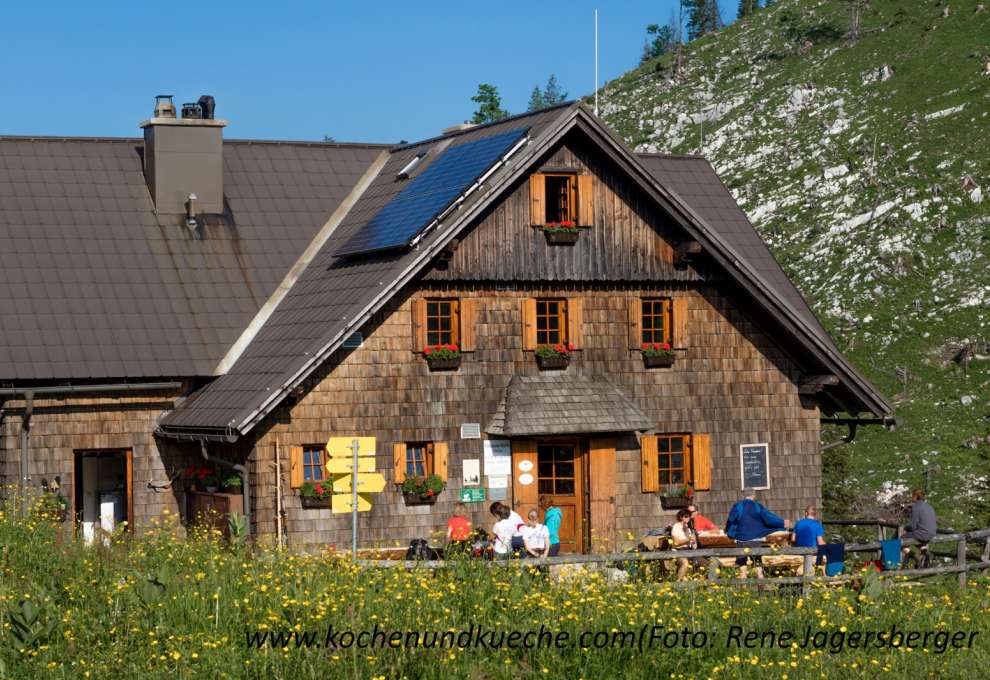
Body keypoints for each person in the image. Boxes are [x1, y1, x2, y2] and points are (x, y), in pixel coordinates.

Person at [725, 488, 787, 578]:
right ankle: (761, 586)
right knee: (758, 564)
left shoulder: (738, 506)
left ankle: (743, 590)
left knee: (742, 566)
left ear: (743, 495)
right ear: (753, 495)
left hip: (741, 539)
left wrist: (728, 529)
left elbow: (731, 519)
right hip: (755, 539)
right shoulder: (757, 506)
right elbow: (769, 518)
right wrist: (781, 522)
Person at [902, 488, 937, 567]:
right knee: (916, 537)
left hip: (923, 534)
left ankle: (915, 556)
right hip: (932, 533)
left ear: (915, 496)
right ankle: (925, 551)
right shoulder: (929, 506)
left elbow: (913, 526)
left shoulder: (916, 507)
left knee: (902, 540)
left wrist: (907, 528)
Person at [791, 505, 826, 574]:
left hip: (799, 552)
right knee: (826, 555)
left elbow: (793, 539)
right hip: (812, 553)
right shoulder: (817, 525)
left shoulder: (798, 523)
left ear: (806, 513)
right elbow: (820, 542)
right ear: (815, 515)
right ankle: (824, 577)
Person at [670, 509, 699, 580]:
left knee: (706, 562)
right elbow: (676, 543)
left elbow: (693, 546)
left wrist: (694, 542)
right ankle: (678, 582)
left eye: (689, 516)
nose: (688, 518)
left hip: (688, 550)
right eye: (686, 516)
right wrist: (688, 539)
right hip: (678, 550)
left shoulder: (688, 529)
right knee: (685, 563)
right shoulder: (676, 527)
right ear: (681, 517)